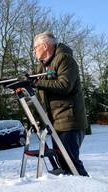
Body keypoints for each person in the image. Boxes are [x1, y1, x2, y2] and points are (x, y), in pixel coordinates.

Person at [31, 31, 89, 176]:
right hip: (55, 122)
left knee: (70, 162)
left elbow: (65, 85)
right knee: (63, 162)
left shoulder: (65, 59)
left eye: (35, 48)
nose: (34, 51)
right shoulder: (42, 65)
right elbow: (30, 77)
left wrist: (37, 83)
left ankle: (88, 187)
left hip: (70, 120)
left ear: (44, 46)